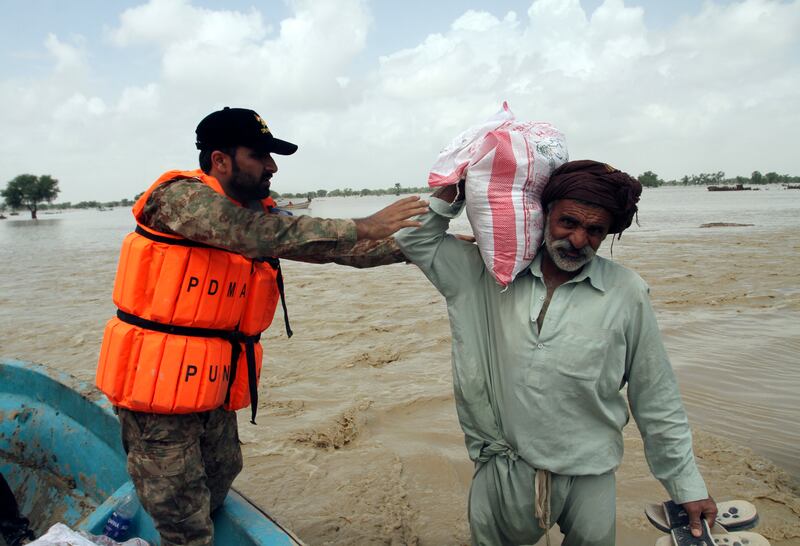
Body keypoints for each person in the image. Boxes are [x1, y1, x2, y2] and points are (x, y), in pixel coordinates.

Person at [95, 106, 428, 546]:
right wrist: (363, 223)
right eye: (260, 155)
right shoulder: (179, 199)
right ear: (220, 160)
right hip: (154, 396)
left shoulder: (260, 214)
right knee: (183, 520)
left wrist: (425, 247)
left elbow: (336, 248)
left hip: (207, 387)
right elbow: (249, 232)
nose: (272, 167)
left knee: (222, 474)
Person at [395, 160, 716, 546]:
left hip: (589, 470)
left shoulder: (627, 292)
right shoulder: (486, 274)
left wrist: (687, 485)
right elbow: (415, 240)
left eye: (595, 230)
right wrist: (460, 185)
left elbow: (656, 396)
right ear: (544, 216)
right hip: (504, 467)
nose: (579, 240)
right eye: (568, 223)